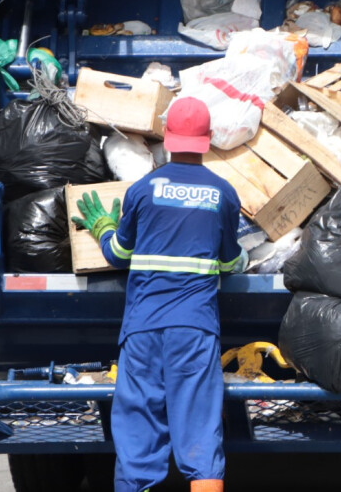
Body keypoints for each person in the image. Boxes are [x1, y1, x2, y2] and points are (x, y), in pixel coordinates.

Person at [72, 96, 247, 492]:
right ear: (207, 139)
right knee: (200, 436)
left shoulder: (143, 190)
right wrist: (241, 259)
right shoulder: (223, 193)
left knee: (138, 438)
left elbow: (118, 254)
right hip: (194, 329)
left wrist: (102, 228)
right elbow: (228, 262)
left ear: (166, 139)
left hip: (143, 330)